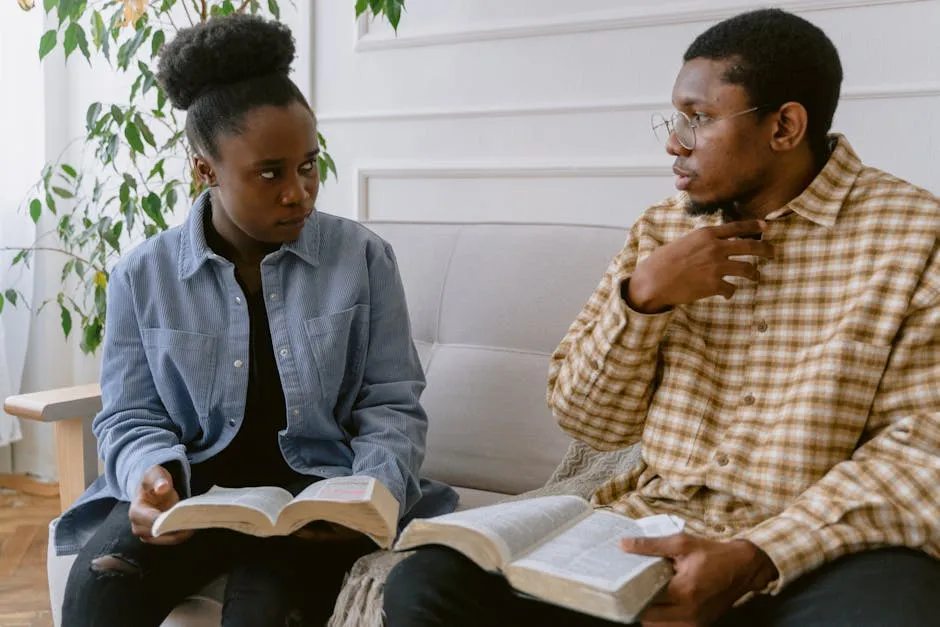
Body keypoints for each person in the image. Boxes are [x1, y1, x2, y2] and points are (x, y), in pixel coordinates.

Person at [383, 8, 940, 627]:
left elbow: (923, 450)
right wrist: (643, 299)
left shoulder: (916, 237)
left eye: (698, 119)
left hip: (815, 552)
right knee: (430, 582)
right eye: (676, 118)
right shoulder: (660, 231)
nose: (674, 141)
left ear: (785, 126)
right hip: (653, 530)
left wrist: (756, 556)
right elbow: (590, 421)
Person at [57, 14, 457, 627]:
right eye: (270, 173)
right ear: (204, 170)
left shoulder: (362, 259)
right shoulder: (145, 275)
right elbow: (130, 414)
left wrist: (369, 498)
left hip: (316, 505)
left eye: (308, 166)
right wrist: (149, 478)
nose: (298, 192)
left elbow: (392, 404)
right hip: (190, 503)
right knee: (97, 592)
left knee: (264, 614)